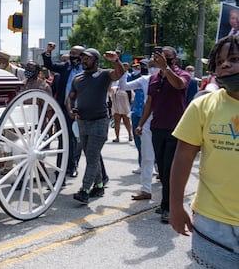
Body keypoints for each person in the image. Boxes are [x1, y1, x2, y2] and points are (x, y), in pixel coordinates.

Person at [170, 35, 239, 267]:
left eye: (234, 58)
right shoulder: (202, 105)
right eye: (219, 62)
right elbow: (183, 157)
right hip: (212, 224)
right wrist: (175, 206)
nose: (225, 65)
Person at [136, 46, 191, 223]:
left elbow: (179, 85)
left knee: (169, 169)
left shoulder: (182, 74)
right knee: (162, 167)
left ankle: (169, 207)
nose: (160, 60)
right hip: (157, 128)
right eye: (158, 57)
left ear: (173, 59)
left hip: (176, 129)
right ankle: (166, 203)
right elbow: (149, 103)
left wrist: (166, 69)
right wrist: (141, 124)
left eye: (165, 57)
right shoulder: (153, 78)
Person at [66, 48, 125, 204]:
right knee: (92, 155)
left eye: (88, 58)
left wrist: (116, 60)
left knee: (91, 155)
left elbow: (120, 74)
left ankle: (85, 190)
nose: (84, 60)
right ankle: (99, 186)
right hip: (82, 122)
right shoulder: (77, 78)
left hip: (100, 121)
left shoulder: (104, 74)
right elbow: (70, 98)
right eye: (83, 58)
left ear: (96, 61)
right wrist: (70, 109)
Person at [42, 42, 84, 178]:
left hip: (83, 110)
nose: (72, 56)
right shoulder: (66, 67)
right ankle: (63, 168)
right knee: (64, 139)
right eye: (70, 53)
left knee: (80, 140)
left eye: (75, 54)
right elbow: (50, 65)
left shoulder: (87, 69)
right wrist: (49, 52)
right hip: (64, 109)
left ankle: (74, 165)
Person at [118, 59, 156, 200]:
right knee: (147, 157)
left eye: (155, 65)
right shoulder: (144, 79)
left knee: (167, 158)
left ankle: (169, 191)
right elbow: (123, 87)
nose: (153, 68)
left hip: (166, 122)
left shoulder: (170, 78)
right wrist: (123, 72)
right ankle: (146, 190)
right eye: (151, 66)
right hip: (147, 121)